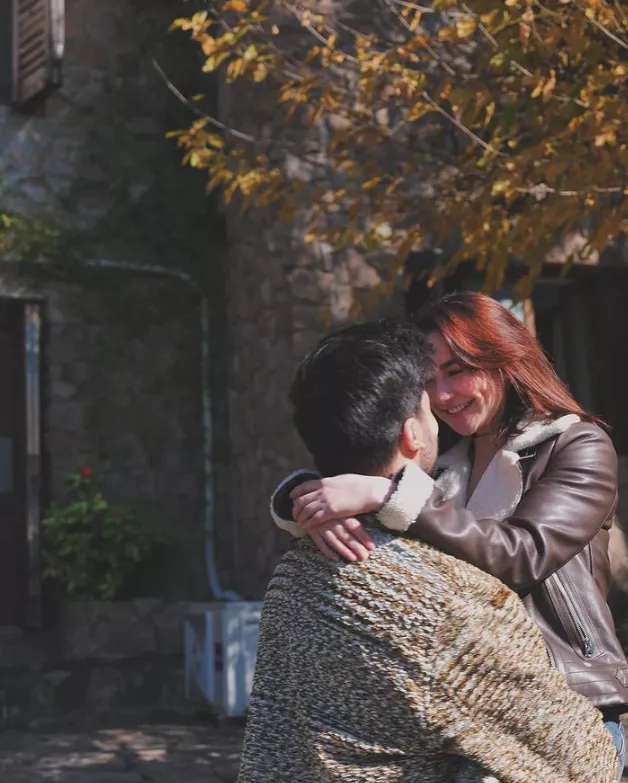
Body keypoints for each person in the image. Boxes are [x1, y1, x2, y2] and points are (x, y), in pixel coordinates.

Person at [239, 319, 618, 783]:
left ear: (504, 362)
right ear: (412, 432)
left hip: (571, 693)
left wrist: (387, 493)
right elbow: (356, 445)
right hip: (492, 704)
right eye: (428, 382)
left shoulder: (574, 444)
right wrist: (308, 499)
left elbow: (524, 554)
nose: (440, 395)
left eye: (457, 371)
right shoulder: (441, 454)